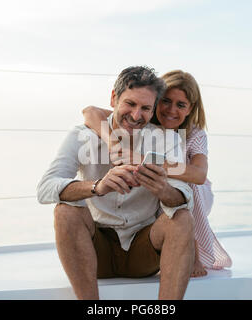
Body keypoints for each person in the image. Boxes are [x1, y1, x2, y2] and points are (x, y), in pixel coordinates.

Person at [37, 66, 195, 300]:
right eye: (130, 104)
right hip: (96, 249)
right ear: (113, 98)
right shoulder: (82, 135)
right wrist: (97, 186)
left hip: (144, 250)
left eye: (145, 108)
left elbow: (184, 195)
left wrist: (163, 190)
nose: (136, 115)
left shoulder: (166, 139)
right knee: (65, 212)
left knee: (182, 218)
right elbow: (46, 188)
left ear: (153, 110)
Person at [82, 70, 232, 278]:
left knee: (183, 185)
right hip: (156, 184)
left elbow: (198, 174)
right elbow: (90, 111)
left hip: (194, 188)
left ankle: (193, 249)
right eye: (166, 101)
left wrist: (143, 159)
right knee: (157, 184)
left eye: (181, 105)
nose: (171, 110)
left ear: (191, 109)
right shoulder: (142, 118)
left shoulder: (195, 133)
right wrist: (113, 143)